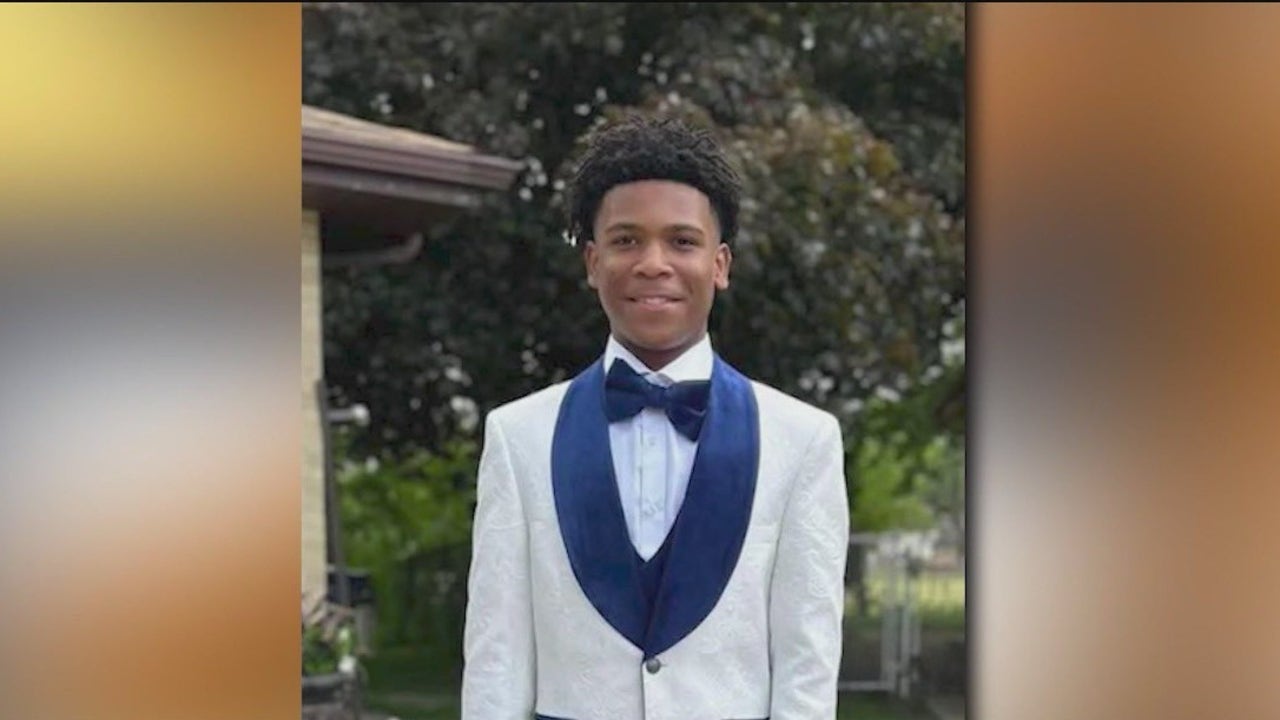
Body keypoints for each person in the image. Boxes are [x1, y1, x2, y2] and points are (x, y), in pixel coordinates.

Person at [461, 115, 850, 720]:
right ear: (593, 262)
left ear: (720, 264)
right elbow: (496, 662)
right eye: (626, 241)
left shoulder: (803, 440)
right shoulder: (518, 437)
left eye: (682, 241)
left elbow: (809, 667)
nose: (653, 263)